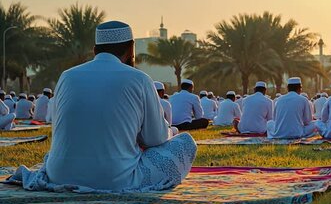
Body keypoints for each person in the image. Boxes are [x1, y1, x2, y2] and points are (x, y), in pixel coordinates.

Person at [9, 21, 197, 192]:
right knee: (186, 142)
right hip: (115, 180)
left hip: (59, 176)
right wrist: (171, 131)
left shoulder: (67, 76)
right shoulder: (139, 79)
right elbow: (155, 139)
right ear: (131, 49)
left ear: (95, 50)